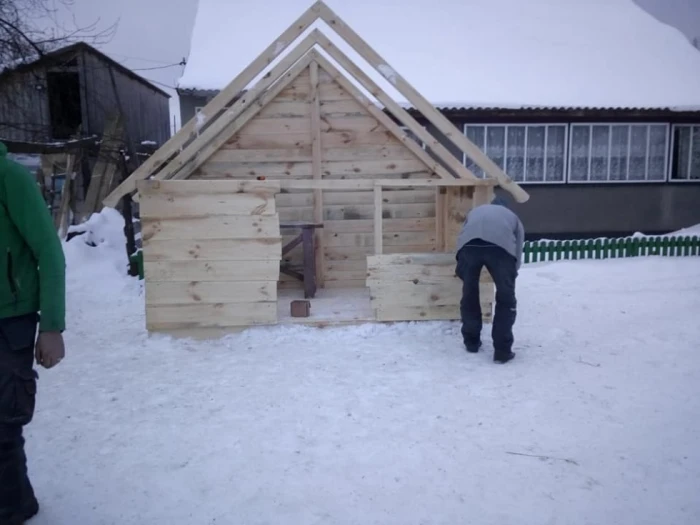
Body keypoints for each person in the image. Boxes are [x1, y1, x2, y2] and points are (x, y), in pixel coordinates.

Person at [0, 141, 66, 523]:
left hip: (10, 322)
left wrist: (52, 326)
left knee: (3, 427)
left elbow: (48, 251)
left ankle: (13, 509)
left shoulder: (9, 177)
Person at [455, 195, 524, 364]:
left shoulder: (476, 211)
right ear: (506, 208)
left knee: (469, 294)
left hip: (469, 247)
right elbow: (518, 245)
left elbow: (463, 233)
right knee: (505, 299)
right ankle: (502, 351)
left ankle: (471, 342)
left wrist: (461, 265)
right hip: (500, 249)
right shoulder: (512, 217)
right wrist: (510, 276)